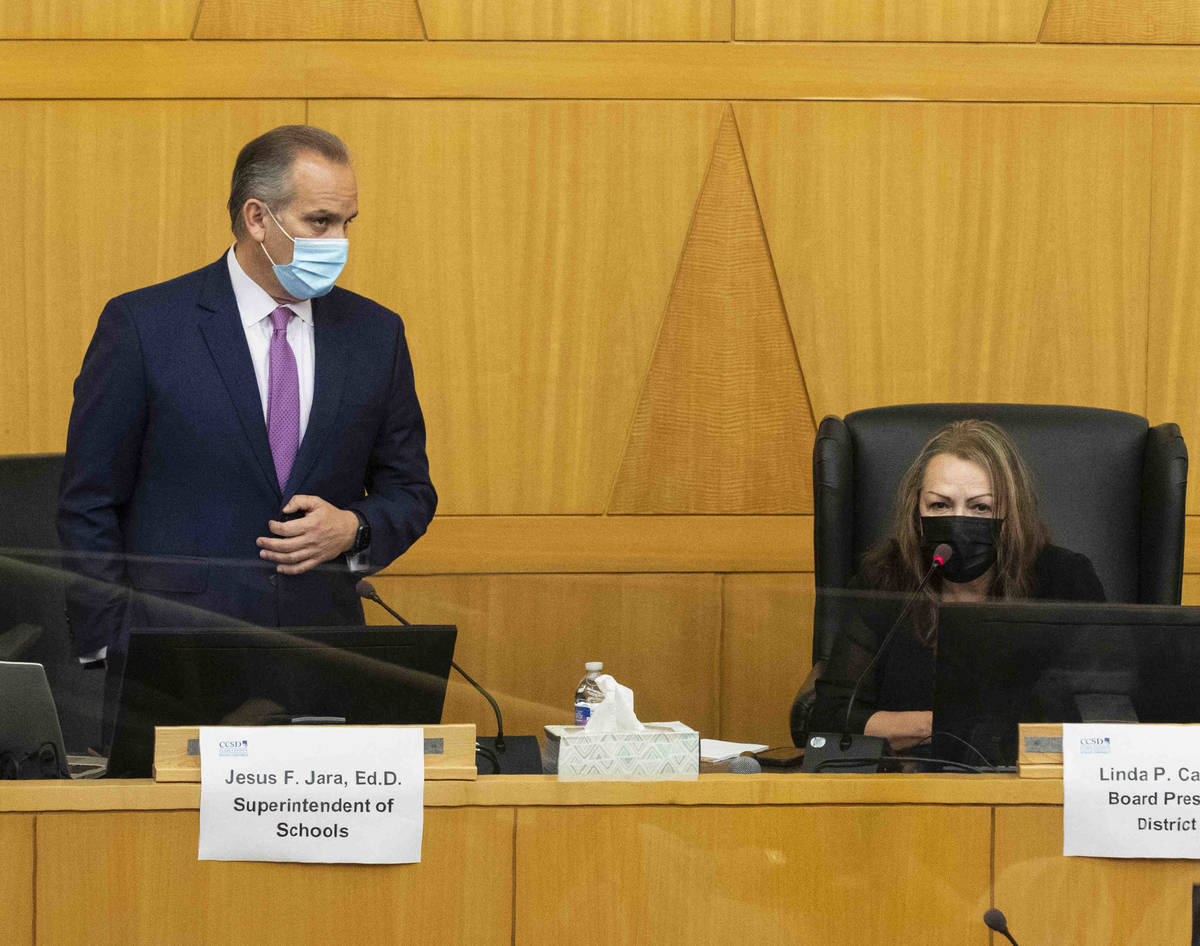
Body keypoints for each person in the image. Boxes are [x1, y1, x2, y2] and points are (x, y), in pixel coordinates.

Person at [57, 125, 437, 740]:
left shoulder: (375, 334)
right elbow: (89, 501)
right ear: (258, 218)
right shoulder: (144, 326)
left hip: (323, 664)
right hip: (173, 668)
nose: (339, 241)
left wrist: (355, 527)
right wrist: (114, 644)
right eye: (320, 222)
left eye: (348, 222)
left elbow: (411, 490)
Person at [809, 419, 1105, 750]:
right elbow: (827, 718)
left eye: (981, 507)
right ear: (916, 510)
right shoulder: (884, 578)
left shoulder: (1065, 580)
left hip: (1027, 785)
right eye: (940, 505)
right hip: (909, 785)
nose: (959, 522)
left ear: (1012, 511)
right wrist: (937, 726)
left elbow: (1101, 715)